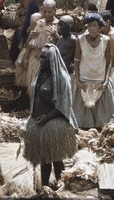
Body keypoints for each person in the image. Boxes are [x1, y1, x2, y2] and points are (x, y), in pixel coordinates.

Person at [24, 44, 78, 189]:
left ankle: (62, 187)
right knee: (44, 159)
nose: (40, 59)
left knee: (56, 158)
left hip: (53, 123)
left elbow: (65, 105)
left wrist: (47, 117)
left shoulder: (61, 78)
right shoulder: (40, 72)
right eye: (40, 56)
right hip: (38, 122)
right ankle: (45, 188)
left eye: (44, 57)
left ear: (52, 59)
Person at [72, 12, 114, 129]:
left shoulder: (106, 40)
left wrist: (106, 81)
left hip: (100, 80)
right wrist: (77, 80)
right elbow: (76, 60)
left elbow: (109, 62)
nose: (91, 28)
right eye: (89, 25)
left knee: (104, 121)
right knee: (81, 117)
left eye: (94, 25)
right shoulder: (80, 39)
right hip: (84, 79)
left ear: (100, 27)